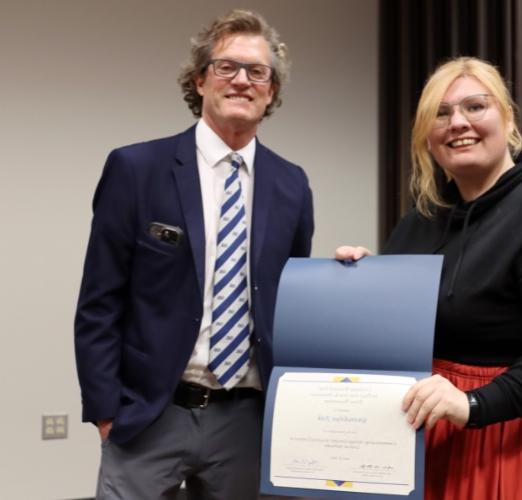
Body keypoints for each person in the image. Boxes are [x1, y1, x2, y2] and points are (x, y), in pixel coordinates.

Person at [337, 57, 522, 499]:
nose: (457, 122)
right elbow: (406, 324)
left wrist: (474, 404)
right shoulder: (420, 219)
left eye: (475, 107)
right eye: (441, 114)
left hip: (512, 431)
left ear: (508, 118)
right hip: (430, 424)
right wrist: (365, 278)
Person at [74, 10, 313, 499]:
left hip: (246, 419)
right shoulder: (136, 169)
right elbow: (100, 302)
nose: (242, 80)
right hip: (148, 413)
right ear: (200, 80)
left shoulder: (293, 185)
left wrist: (347, 275)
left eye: (258, 72)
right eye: (227, 67)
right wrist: (105, 411)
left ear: (271, 92)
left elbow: (291, 306)